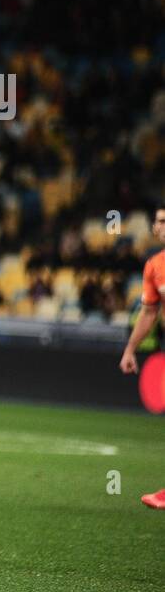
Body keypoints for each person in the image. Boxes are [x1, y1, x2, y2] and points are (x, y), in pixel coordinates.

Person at [119, 205, 165, 509]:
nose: (164, 225)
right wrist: (130, 349)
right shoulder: (154, 266)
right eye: (160, 221)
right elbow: (150, 311)